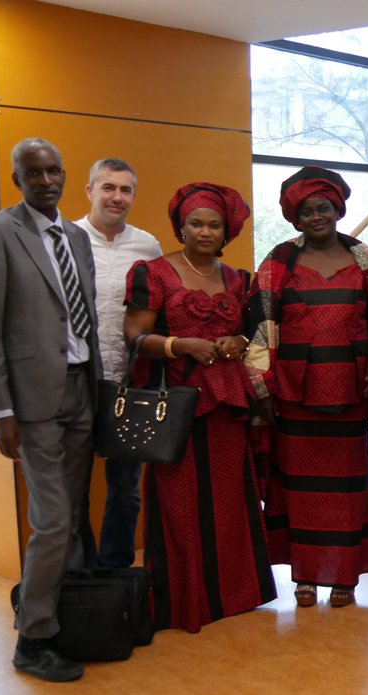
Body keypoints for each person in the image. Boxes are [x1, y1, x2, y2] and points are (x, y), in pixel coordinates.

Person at [0, 138, 101, 682]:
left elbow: (84, 312)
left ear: (65, 174)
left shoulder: (75, 235)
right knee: (51, 522)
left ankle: (55, 613)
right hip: (31, 401)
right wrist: (1, 409)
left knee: (68, 518)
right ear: (17, 178)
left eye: (54, 170)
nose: (46, 180)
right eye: (34, 172)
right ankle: (32, 639)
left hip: (80, 389)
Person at [123, 182, 276, 633]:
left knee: (230, 497)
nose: (205, 232)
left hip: (227, 402)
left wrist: (238, 340)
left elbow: (250, 334)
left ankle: (234, 594)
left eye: (214, 225)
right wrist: (179, 344)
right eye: (196, 223)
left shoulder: (238, 279)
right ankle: (187, 600)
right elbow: (134, 338)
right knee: (180, 499)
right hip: (177, 403)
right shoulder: (152, 273)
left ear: (226, 230)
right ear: (181, 226)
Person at [245, 167, 368, 610]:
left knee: (346, 488)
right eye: (305, 211)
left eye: (322, 207)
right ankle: (305, 576)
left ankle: (344, 577)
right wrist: (263, 389)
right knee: (299, 489)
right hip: (295, 398)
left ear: (337, 208)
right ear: (294, 217)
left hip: (350, 395)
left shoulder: (367, 260)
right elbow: (261, 329)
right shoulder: (277, 263)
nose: (315, 216)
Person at [75, 157, 162, 569]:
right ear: (90, 190)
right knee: (73, 489)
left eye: (125, 189)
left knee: (126, 488)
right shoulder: (66, 238)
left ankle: (114, 574)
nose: (117, 197)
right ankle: (80, 574)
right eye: (108, 187)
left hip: (131, 382)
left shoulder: (147, 246)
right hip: (76, 382)